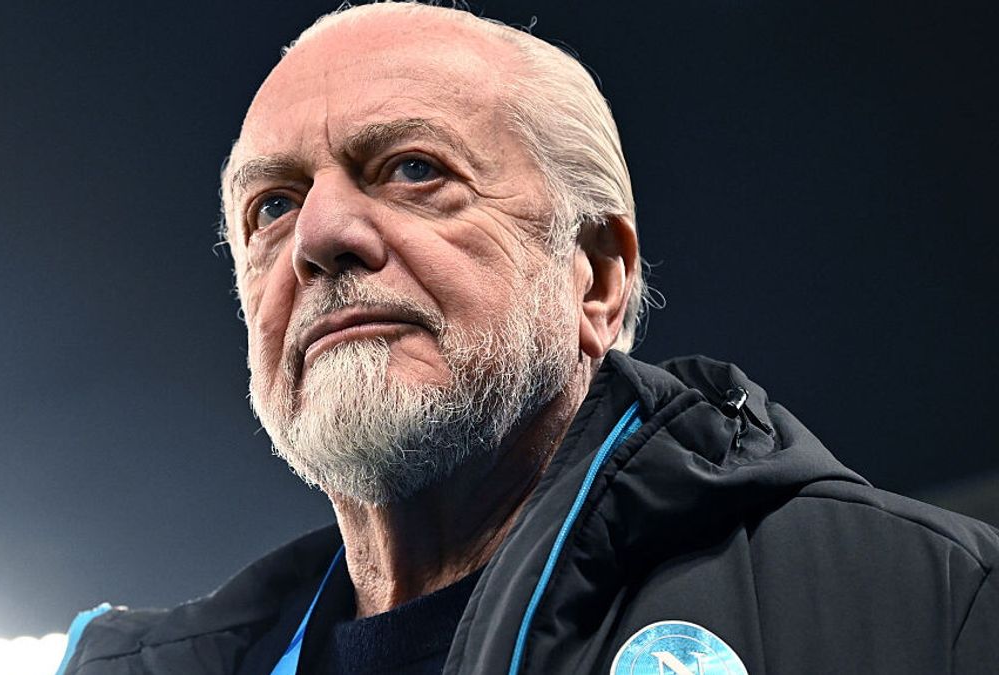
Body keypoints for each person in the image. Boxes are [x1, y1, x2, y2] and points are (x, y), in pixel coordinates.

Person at [56, 3, 999, 674]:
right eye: (273, 205)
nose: (319, 236)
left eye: (413, 169)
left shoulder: (930, 606)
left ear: (595, 275)